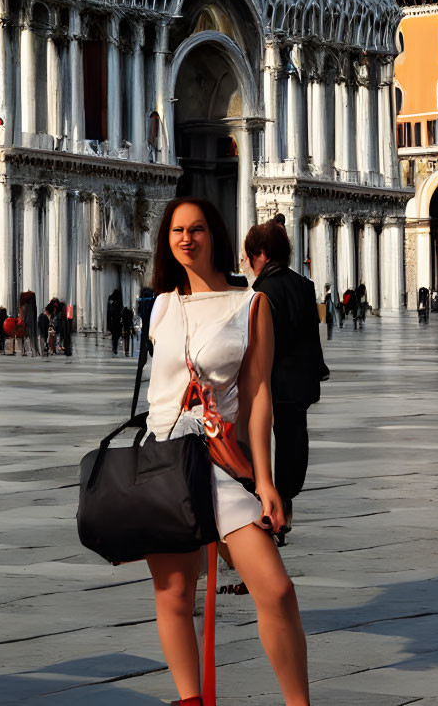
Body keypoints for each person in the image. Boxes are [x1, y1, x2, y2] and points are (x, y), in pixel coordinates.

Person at [143, 197, 308, 706]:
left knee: (275, 589)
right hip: (165, 460)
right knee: (174, 595)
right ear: (167, 242)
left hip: (218, 460)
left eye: (196, 229)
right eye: (176, 232)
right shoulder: (161, 304)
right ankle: (191, 699)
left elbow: (258, 397)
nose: (186, 239)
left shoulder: (251, 304)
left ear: (214, 234)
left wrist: (265, 479)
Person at [245, 221, 326, 539]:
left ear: (261, 254)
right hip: (301, 381)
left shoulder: (261, 292)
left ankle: (265, 506)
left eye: (250, 257)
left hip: (271, 381)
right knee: (294, 442)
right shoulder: (305, 286)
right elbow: (312, 334)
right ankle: (287, 505)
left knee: (259, 443)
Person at [106, 288, 122, 356]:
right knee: (117, 336)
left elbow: (109, 312)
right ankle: (115, 349)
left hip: (113, 321)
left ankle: (114, 349)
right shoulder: (119, 301)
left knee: (114, 337)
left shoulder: (111, 299)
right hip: (117, 321)